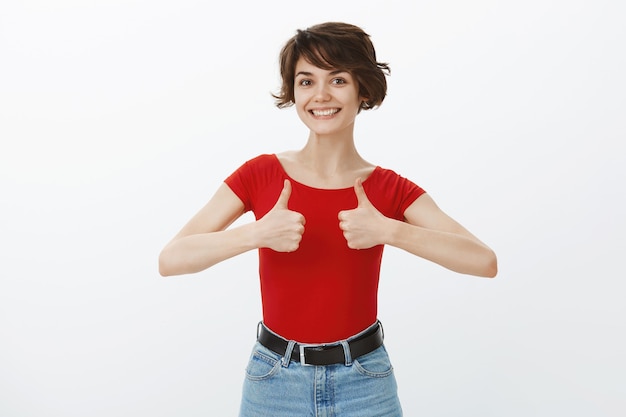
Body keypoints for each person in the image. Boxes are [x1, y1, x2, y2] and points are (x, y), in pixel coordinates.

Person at [159, 21, 497, 417]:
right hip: (273, 383)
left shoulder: (389, 188)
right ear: (293, 92)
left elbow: (483, 260)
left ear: (363, 90)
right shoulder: (260, 174)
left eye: (337, 80)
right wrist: (257, 233)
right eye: (306, 81)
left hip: (365, 383)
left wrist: (388, 230)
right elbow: (171, 259)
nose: (320, 95)